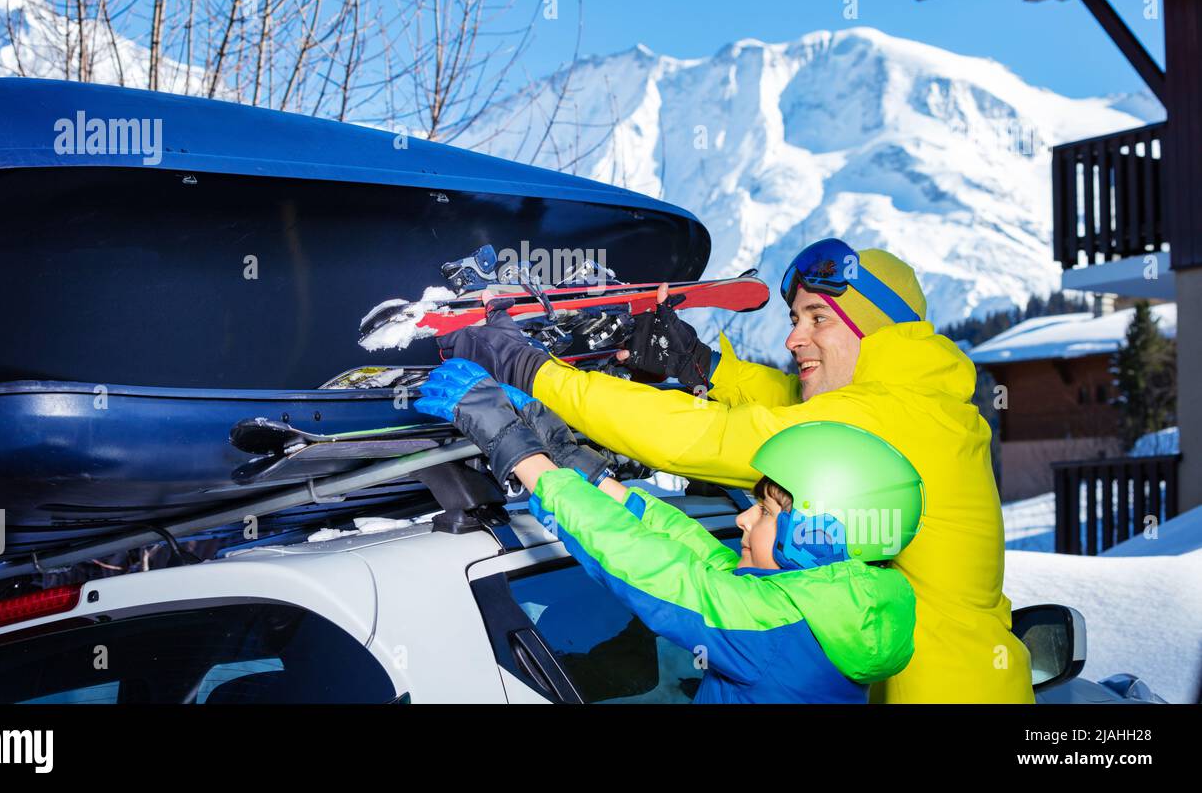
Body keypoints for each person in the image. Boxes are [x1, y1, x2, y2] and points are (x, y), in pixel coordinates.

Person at [440, 237, 1035, 703]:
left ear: (872, 329)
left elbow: (699, 440)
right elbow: (790, 403)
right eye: (795, 318)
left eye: (817, 319)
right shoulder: (924, 404)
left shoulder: (883, 417)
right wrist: (703, 366)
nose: (793, 336)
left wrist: (533, 371)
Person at [416, 357, 921, 703]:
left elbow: (642, 564)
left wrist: (514, 447)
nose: (744, 518)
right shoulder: (834, 609)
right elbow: (696, 555)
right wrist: (579, 467)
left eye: (765, 512)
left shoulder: (774, 634)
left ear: (814, 538)